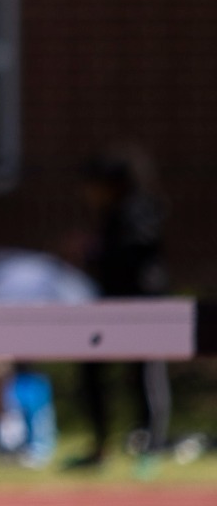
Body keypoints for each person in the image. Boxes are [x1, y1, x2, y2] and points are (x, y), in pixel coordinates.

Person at [73, 144, 172, 468]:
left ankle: (151, 445)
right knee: (93, 369)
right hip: (110, 304)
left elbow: (137, 253)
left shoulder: (140, 209)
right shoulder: (113, 213)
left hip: (141, 303)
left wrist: (94, 253)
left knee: (146, 370)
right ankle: (102, 444)